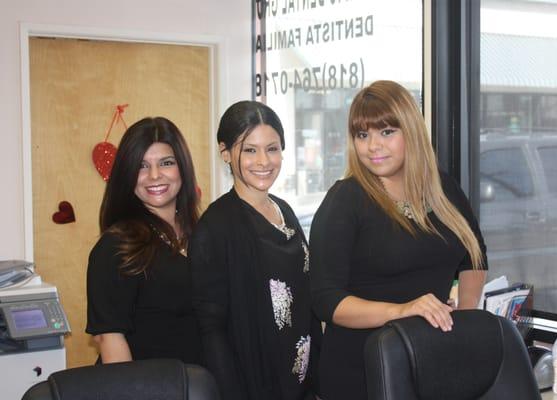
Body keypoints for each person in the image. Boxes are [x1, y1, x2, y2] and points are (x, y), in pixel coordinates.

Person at [310, 80, 488, 400]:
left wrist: (464, 315)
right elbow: (326, 300)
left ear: (411, 131)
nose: (373, 146)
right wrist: (403, 310)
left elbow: (474, 256)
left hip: (430, 363)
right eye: (363, 135)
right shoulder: (346, 199)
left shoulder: (443, 190)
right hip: (360, 375)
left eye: (387, 132)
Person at [188, 101, 321, 400]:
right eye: (249, 149)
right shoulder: (215, 227)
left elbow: (306, 296)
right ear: (225, 152)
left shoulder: (284, 210)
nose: (264, 160)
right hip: (252, 384)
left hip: (301, 380)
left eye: (272, 148)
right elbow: (211, 331)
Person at [86, 116, 202, 365]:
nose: (155, 175)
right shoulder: (116, 246)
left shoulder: (203, 234)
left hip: (201, 385)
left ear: (183, 168)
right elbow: (110, 339)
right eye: (141, 166)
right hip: (149, 388)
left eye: (166, 163)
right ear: (127, 174)